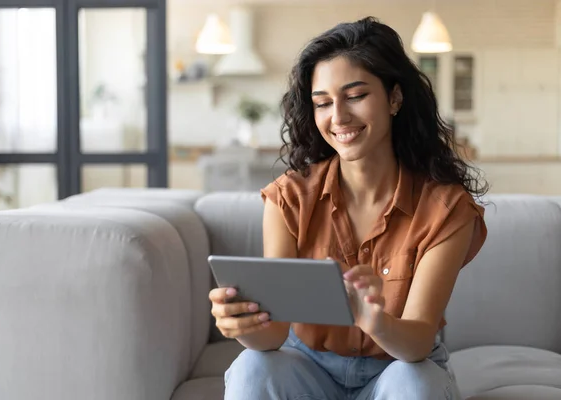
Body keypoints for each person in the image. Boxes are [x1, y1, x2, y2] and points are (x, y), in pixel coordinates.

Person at [209, 16, 488, 400]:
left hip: (398, 365)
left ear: (394, 97)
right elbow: (273, 335)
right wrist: (243, 324)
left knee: (415, 383)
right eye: (323, 103)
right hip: (308, 366)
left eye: (355, 96)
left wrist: (375, 321)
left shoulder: (445, 208)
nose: (338, 117)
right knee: (252, 368)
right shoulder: (288, 198)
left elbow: (419, 340)